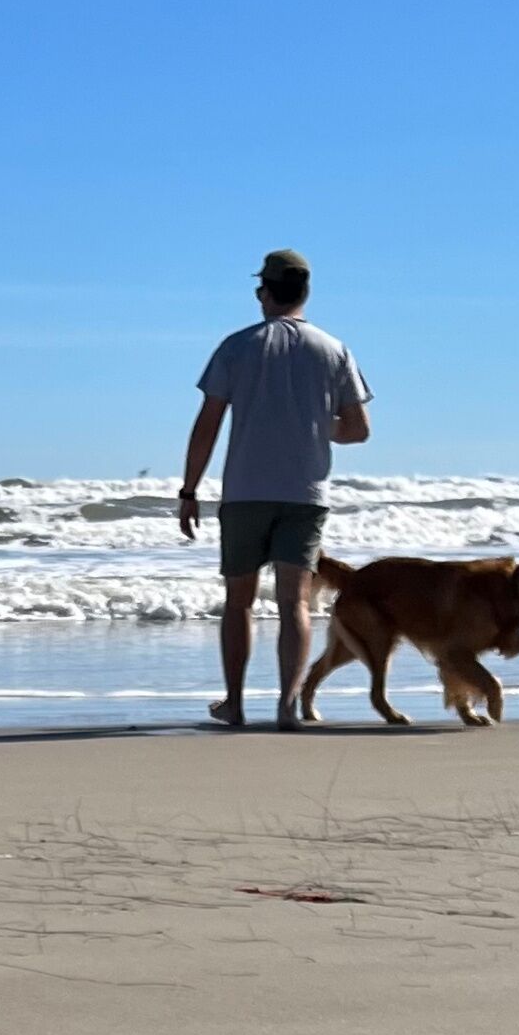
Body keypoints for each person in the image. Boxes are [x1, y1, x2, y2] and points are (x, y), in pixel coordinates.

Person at [176, 250, 372, 728]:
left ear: (264, 292)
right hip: (305, 493)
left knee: (239, 602)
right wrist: (314, 424)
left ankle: (235, 703)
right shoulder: (333, 349)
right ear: (305, 292)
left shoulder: (237, 347)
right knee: (294, 603)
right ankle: (287, 705)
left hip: (246, 491)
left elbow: (207, 425)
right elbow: (357, 429)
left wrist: (189, 490)